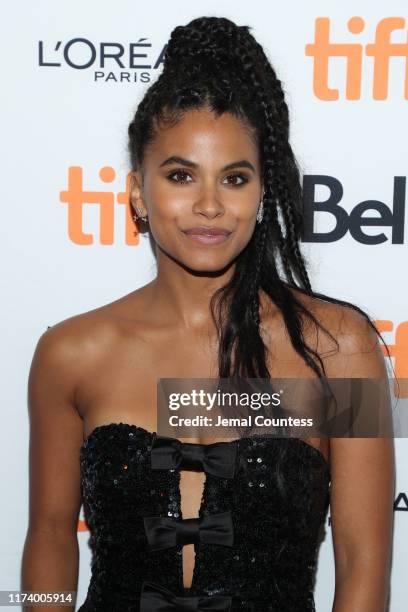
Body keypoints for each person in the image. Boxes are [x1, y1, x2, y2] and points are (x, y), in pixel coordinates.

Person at [21, 16, 395, 612]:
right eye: (179, 175)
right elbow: (47, 535)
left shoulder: (339, 349)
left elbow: (362, 564)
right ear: (139, 193)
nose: (209, 205)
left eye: (235, 178)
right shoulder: (71, 353)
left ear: (262, 192)